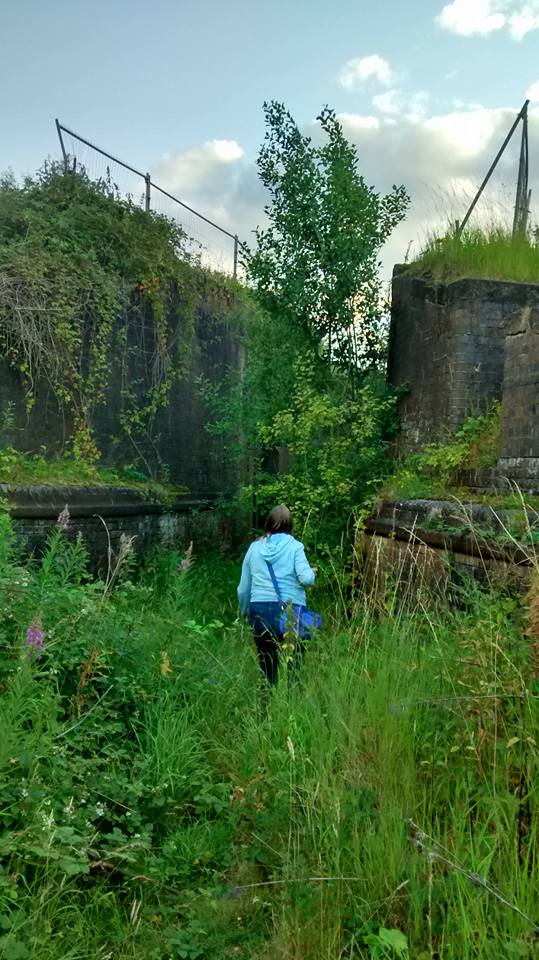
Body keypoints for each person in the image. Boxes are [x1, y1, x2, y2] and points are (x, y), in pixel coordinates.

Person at [237, 504, 316, 685]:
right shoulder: (296, 547)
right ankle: (291, 704)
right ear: (290, 525)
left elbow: (243, 589)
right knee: (294, 666)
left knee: (266, 666)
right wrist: (312, 572)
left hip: (260, 611)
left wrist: (243, 611)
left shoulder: (254, 548)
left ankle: (265, 708)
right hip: (290, 611)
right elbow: (306, 579)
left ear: (268, 524)